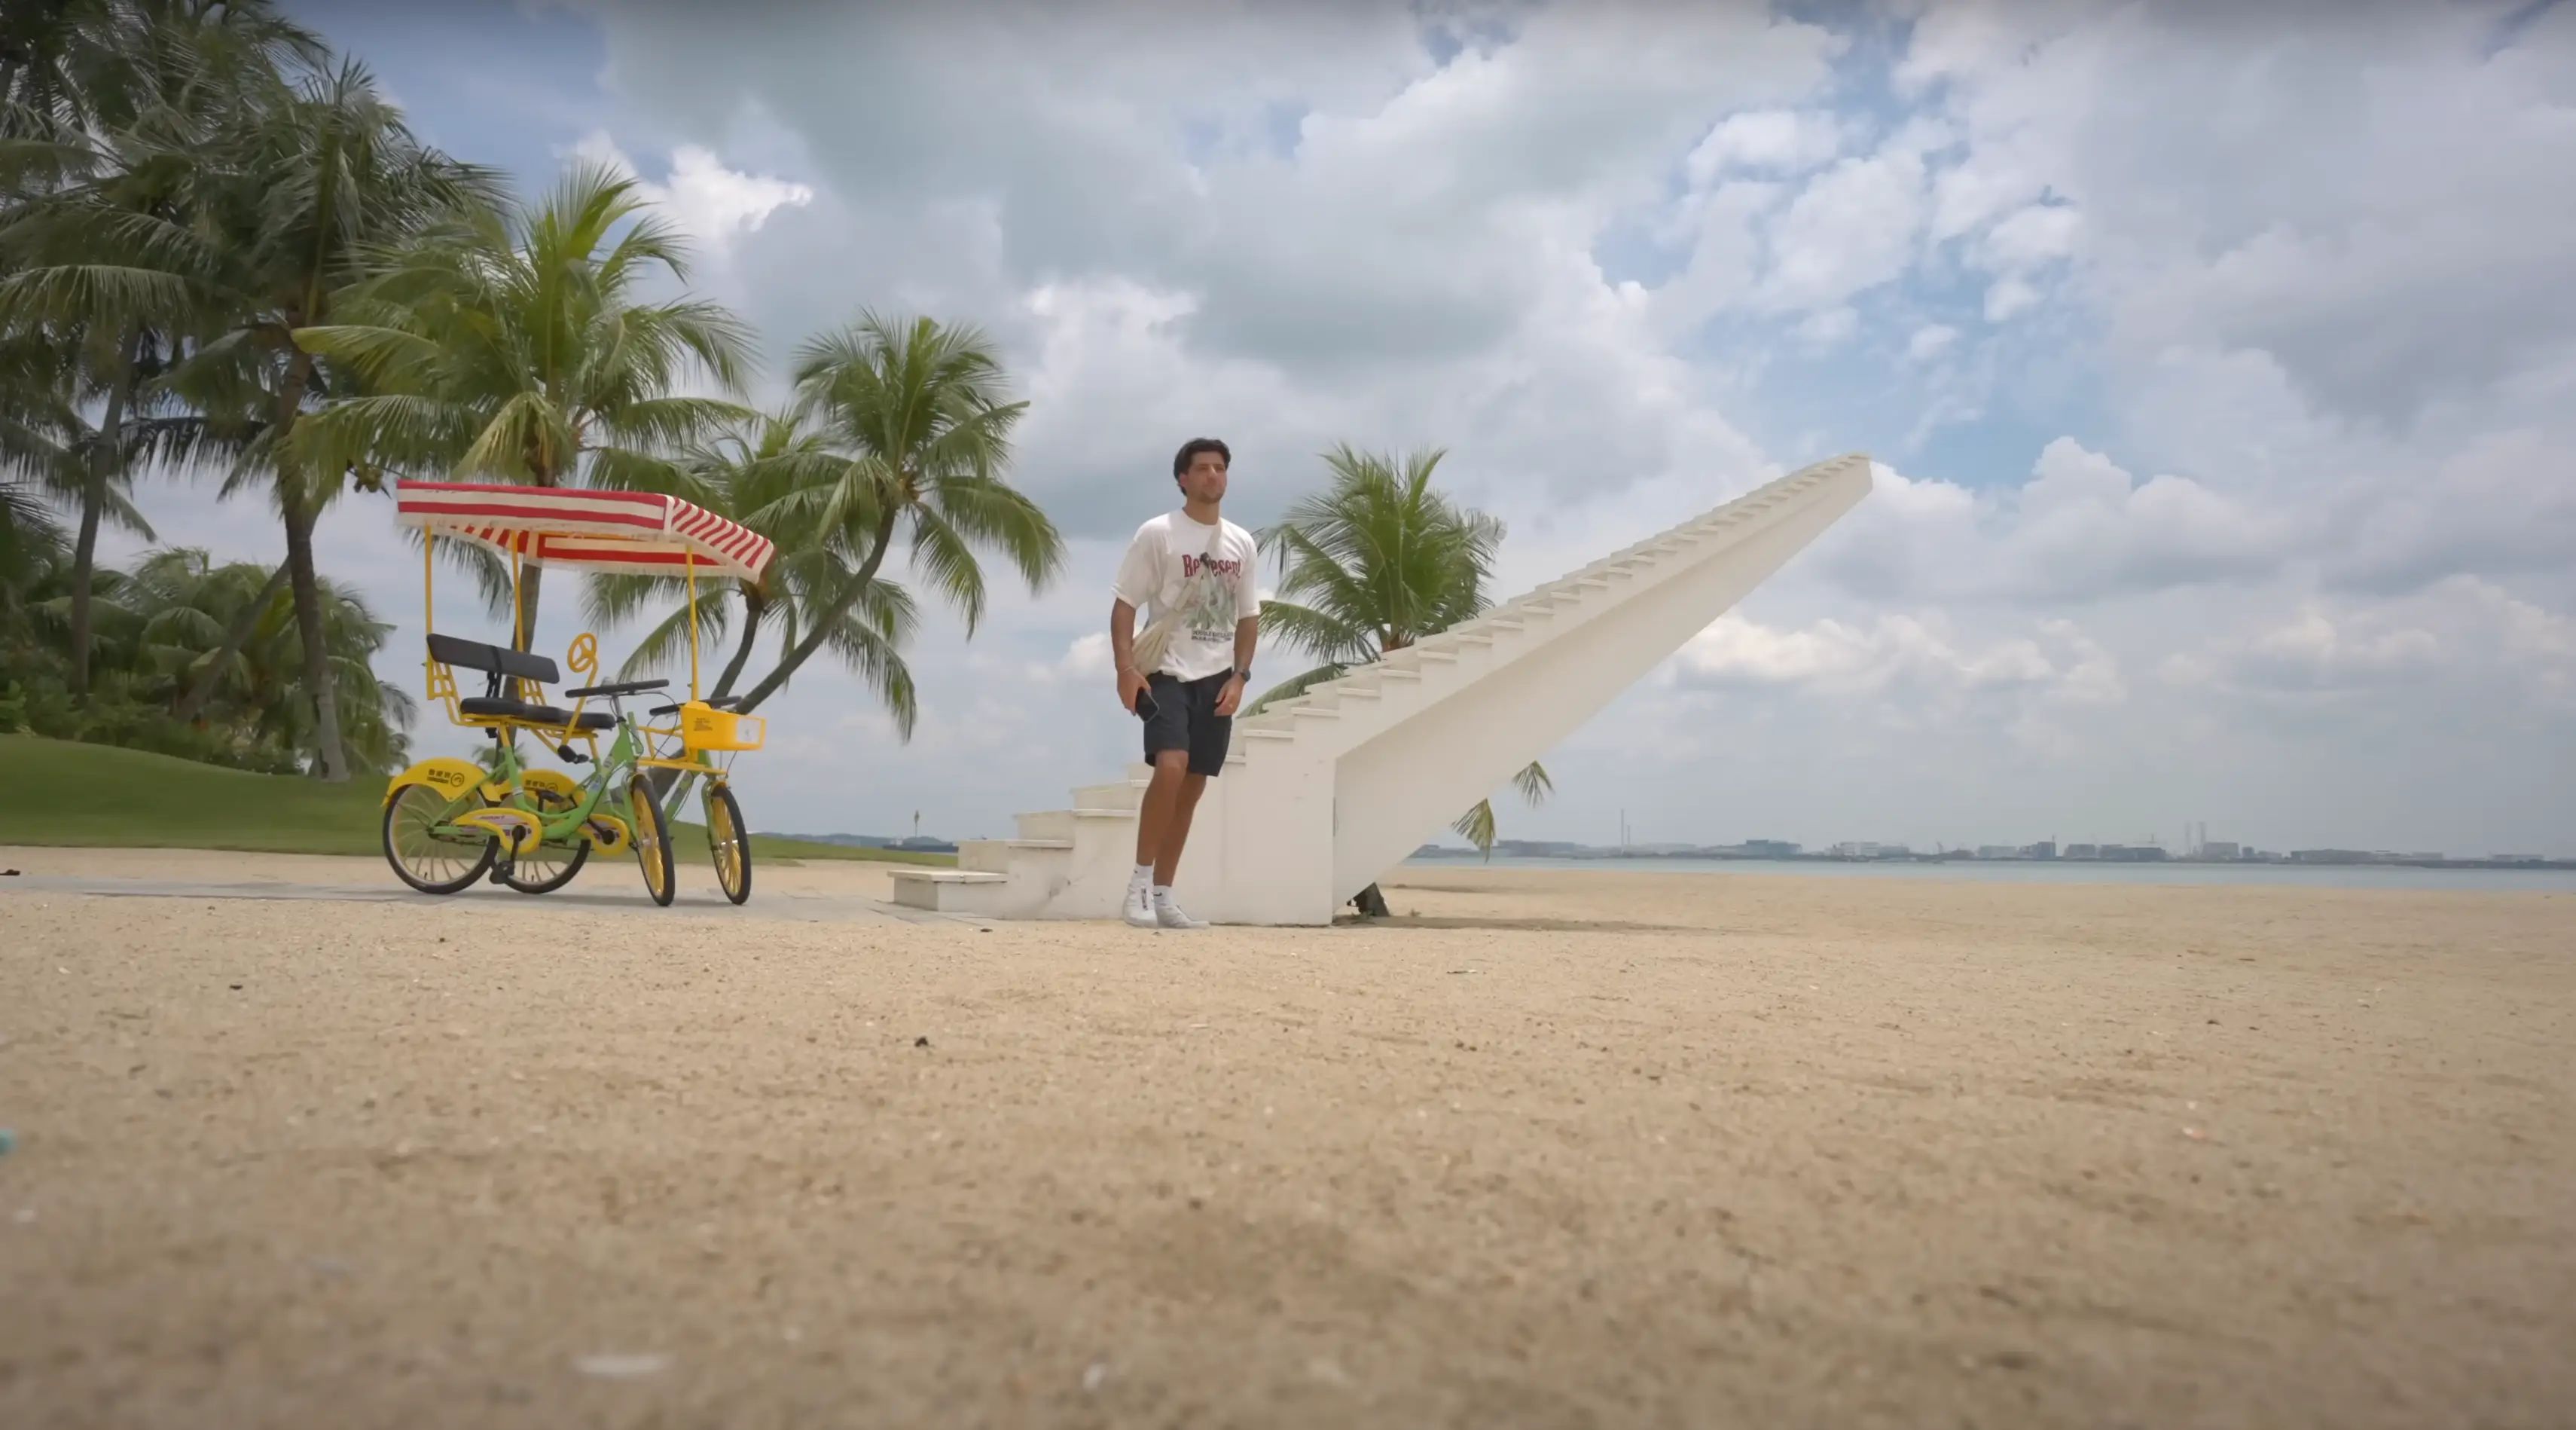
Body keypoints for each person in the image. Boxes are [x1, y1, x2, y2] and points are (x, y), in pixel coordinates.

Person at [1109, 437, 1260, 929]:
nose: (1213, 476)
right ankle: (1138, 886)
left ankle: (1165, 894)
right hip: (1168, 671)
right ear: (1183, 478)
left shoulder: (1241, 542)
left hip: (1218, 677)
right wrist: (1125, 669)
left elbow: (1248, 616)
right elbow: (1125, 604)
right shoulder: (1158, 534)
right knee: (1170, 768)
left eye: (1220, 468)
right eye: (1202, 469)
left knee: (1193, 786)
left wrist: (1240, 676)